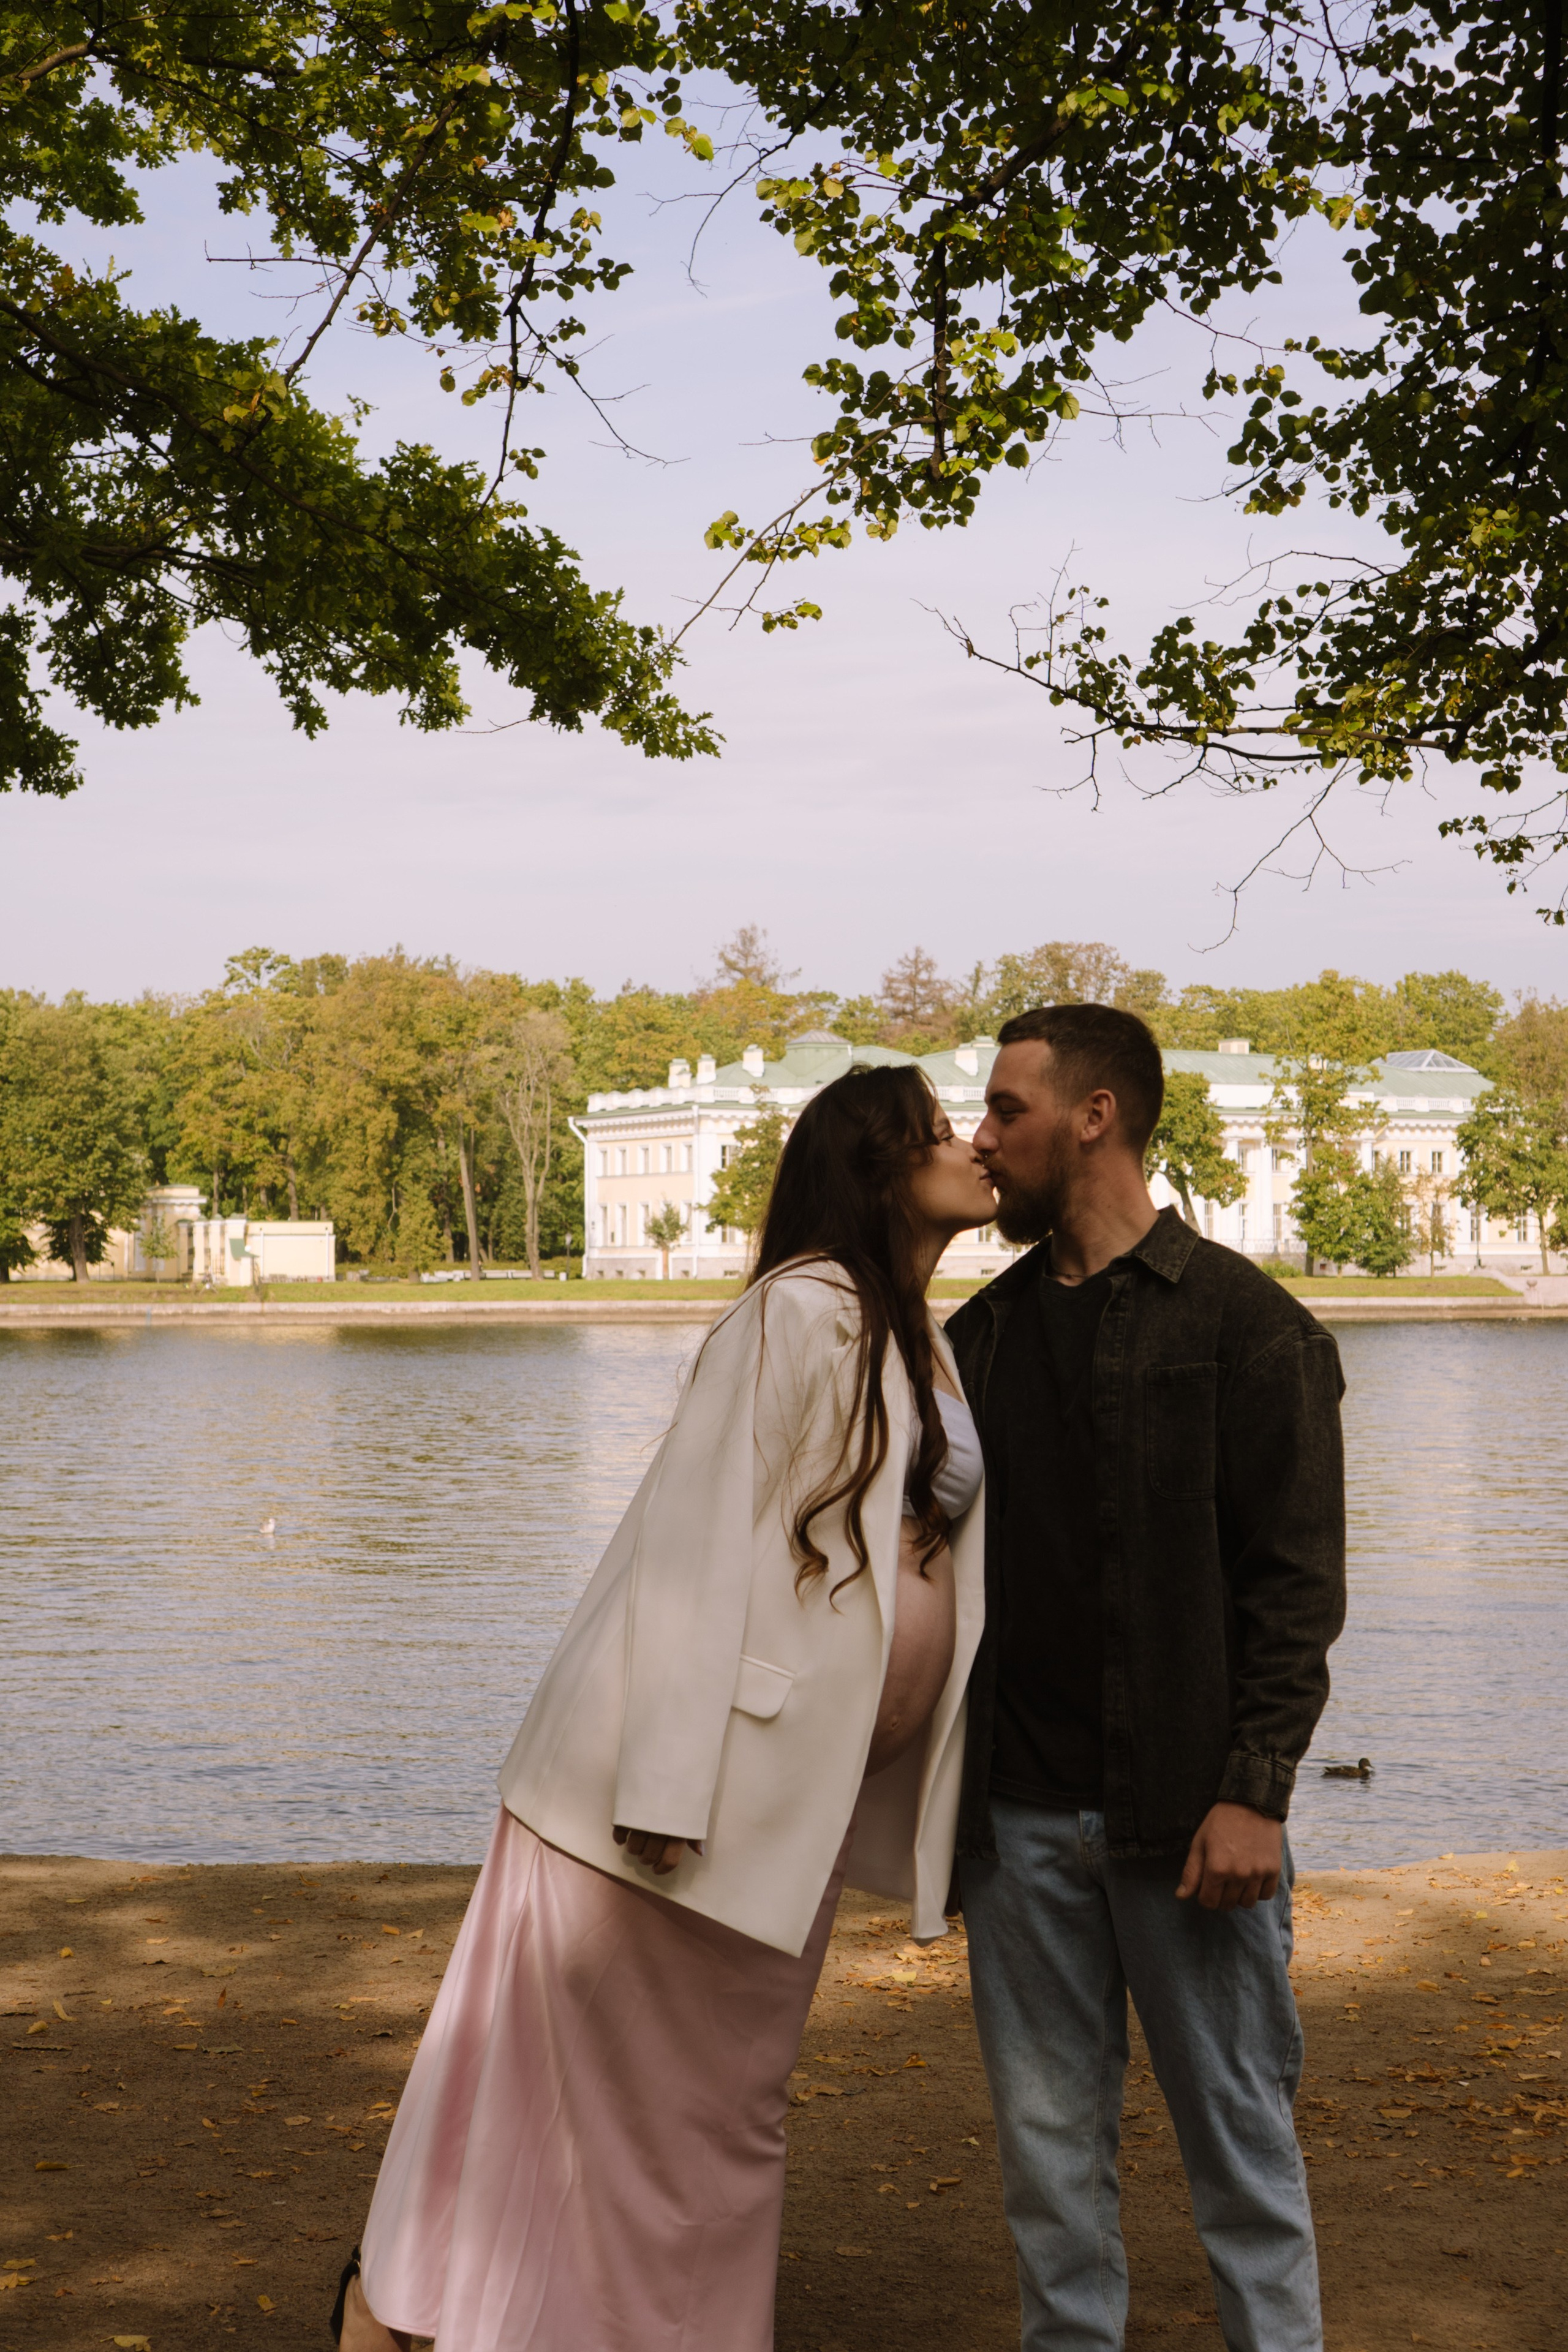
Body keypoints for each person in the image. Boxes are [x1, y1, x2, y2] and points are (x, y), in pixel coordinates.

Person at [331, 1062, 997, 2352]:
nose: (971, 1145)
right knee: (655, 2110)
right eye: (936, 1133)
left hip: (785, 1802)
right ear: (876, 1168)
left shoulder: (917, 1328)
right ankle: (407, 2306)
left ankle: (472, 2314)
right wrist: (662, 1786)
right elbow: (694, 1551)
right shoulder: (798, 1313)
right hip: (682, 1800)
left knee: (704, 2108)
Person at [944, 1002, 1346, 2352]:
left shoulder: (1249, 1328)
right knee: (1050, 2184)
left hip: (1189, 1824)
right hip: (1011, 1833)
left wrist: (1255, 1793)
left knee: (1241, 2164)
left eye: (1005, 1110)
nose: (981, 1138)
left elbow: (1292, 1594)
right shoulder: (978, 1342)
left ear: (1094, 1115)